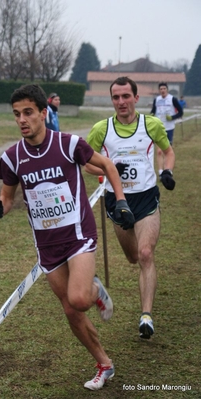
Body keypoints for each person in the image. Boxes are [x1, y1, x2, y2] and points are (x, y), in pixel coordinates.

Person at [0, 84, 135, 390]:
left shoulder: (68, 144)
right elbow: (8, 197)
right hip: (47, 245)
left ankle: (94, 288)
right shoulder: (13, 157)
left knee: (78, 298)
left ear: (44, 113)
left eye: (28, 112)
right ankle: (104, 364)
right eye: (16, 114)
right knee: (70, 310)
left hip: (78, 234)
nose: (22, 120)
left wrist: (120, 201)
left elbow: (106, 165)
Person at [85, 76, 176, 340]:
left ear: (136, 98)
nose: (121, 102)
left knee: (146, 254)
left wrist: (167, 171)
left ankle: (146, 316)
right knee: (133, 257)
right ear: (111, 100)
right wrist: (107, 168)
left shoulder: (152, 124)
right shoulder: (102, 129)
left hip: (146, 197)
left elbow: (168, 151)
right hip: (117, 200)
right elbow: (85, 163)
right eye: (116, 97)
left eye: (126, 96)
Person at [150, 82, 182, 177]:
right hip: (158, 128)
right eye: (161, 89)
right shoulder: (157, 100)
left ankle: (167, 170)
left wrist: (172, 117)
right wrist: (151, 116)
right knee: (159, 151)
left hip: (169, 128)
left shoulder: (173, 99)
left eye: (164, 89)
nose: (162, 90)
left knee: (167, 151)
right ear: (159, 90)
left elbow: (180, 112)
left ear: (167, 90)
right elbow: (153, 112)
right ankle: (160, 172)